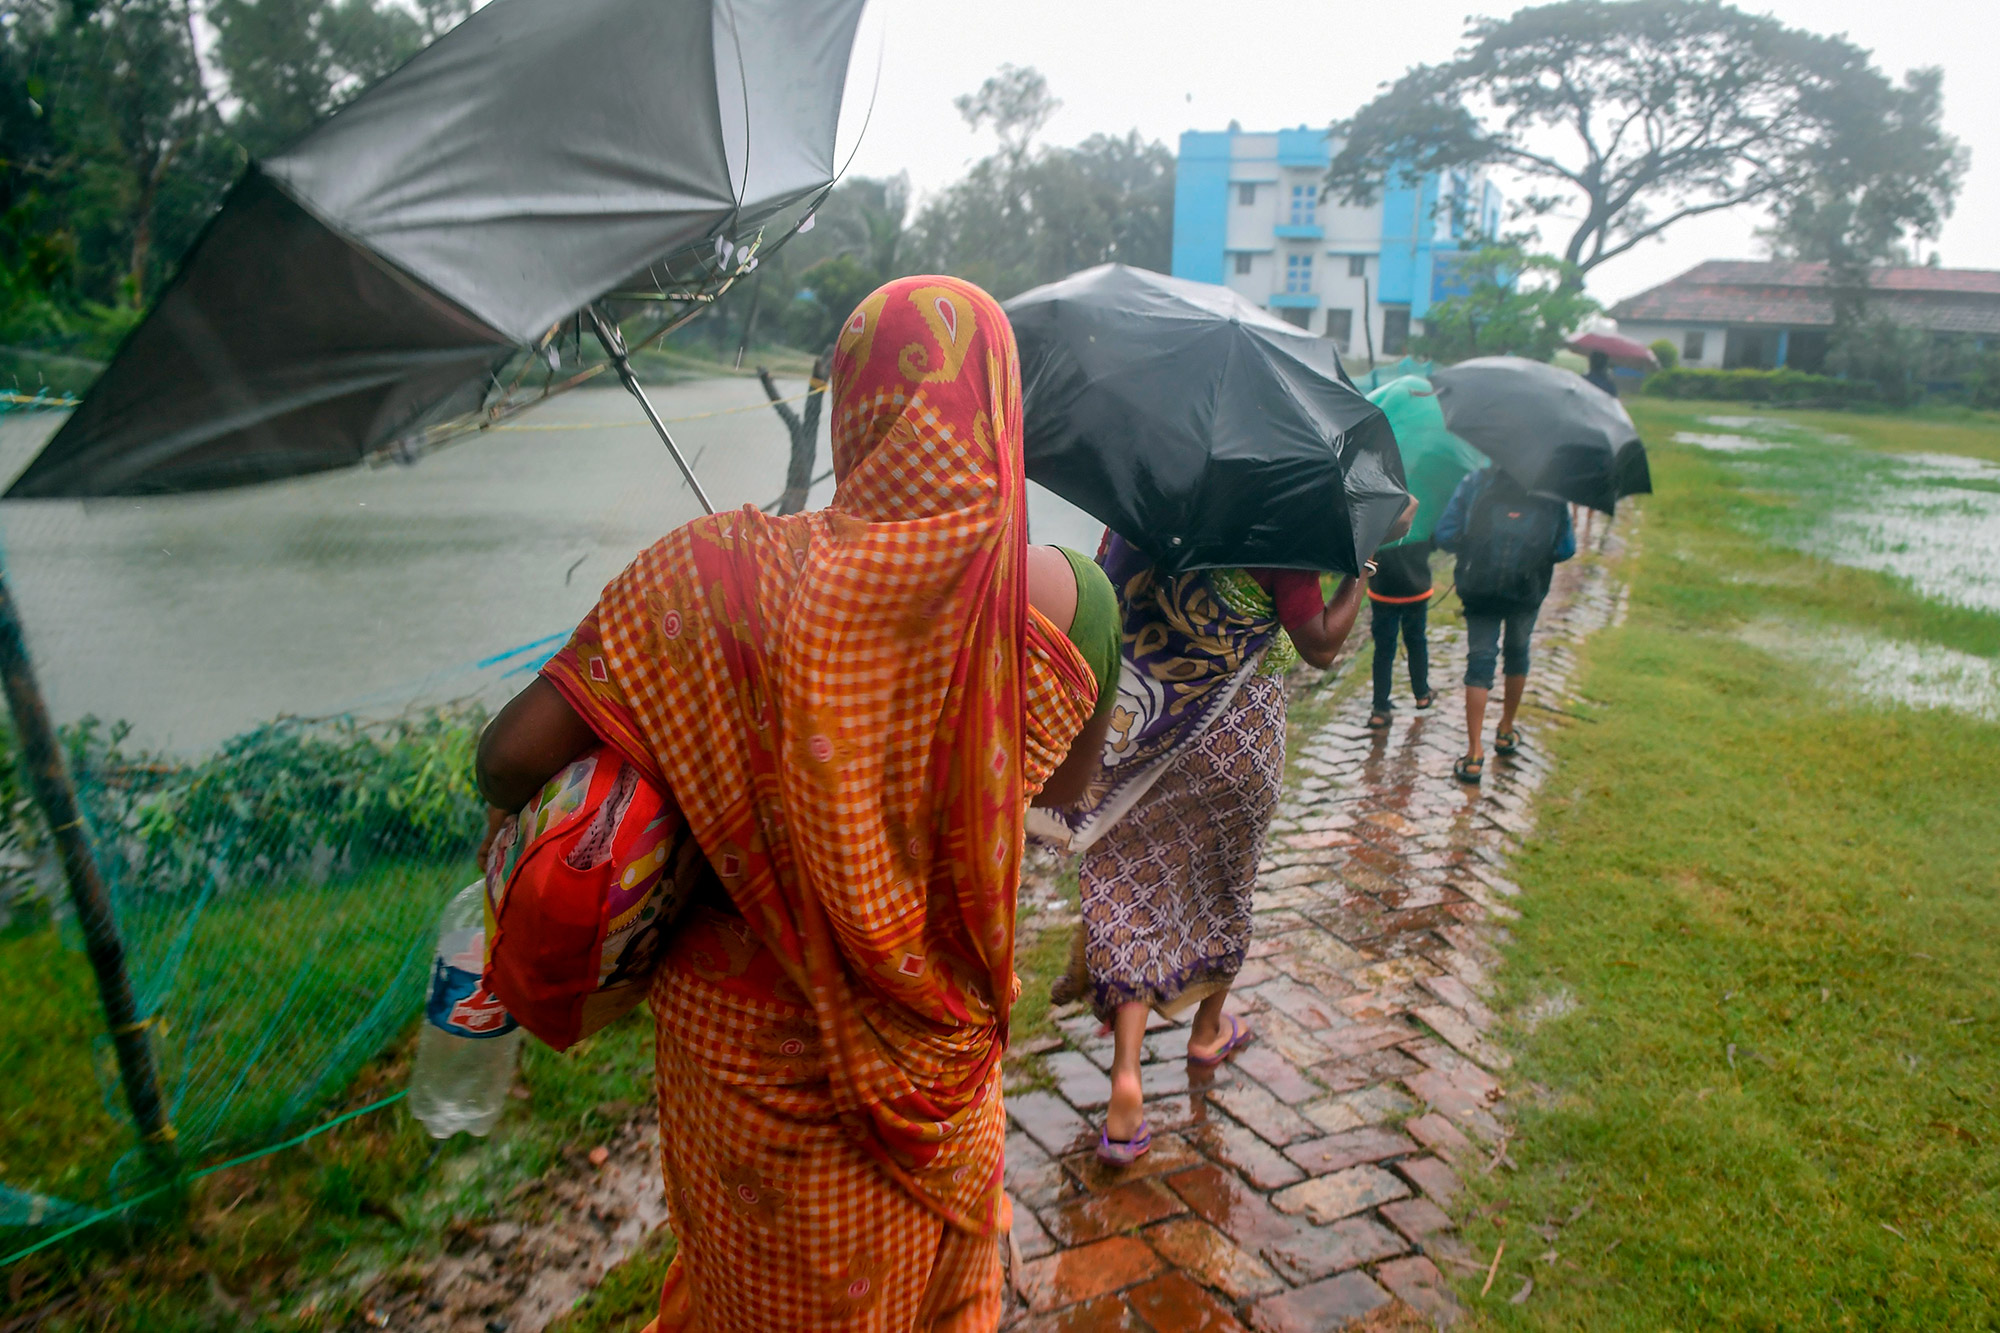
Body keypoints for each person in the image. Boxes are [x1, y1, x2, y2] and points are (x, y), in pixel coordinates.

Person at [474, 276, 1117, 1332]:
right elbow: (1061, 791)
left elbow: (507, 757)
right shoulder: (1072, 604)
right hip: (941, 1054)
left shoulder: (713, 574)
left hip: (745, 1069)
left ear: (851, 401)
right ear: (1002, 410)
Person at [1043, 524, 1414, 1162]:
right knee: (1224, 881)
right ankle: (1208, 1030)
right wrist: (1360, 568)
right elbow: (1320, 645)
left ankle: (1125, 1082)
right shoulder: (1282, 533)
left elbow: (1107, 597)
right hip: (1240, 736)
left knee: (1128, 882)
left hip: (1146, 728)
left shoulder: (1146, 509)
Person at [1433, 468, 1576, 785]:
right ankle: (1506, 730)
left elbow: (1445, 534)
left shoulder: (1476, 482)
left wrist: (1471, 546)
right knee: (1517, 652)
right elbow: (1566, 549)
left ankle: (1473, 754)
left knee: (1480, 660)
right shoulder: (1552, 493)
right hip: (1527, 592)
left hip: (1479, 590)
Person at [1365, 537, 1436, 729]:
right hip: (1416, 585)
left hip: (1383, 588)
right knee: (1417, 641)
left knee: (1383, 649)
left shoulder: (1379, 508)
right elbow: (1435, 540)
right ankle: (1421, 694)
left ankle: (1380, 709)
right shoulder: (1423, 509)